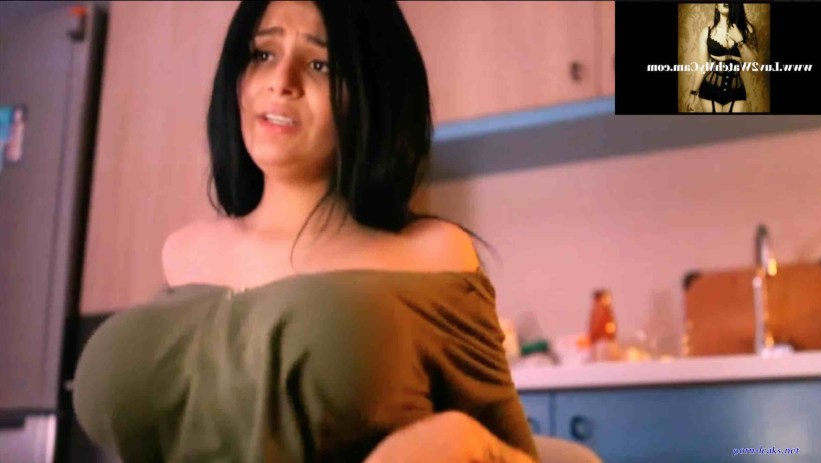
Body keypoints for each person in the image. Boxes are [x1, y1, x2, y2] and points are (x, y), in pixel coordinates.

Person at [72, 1, 539, 462]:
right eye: (262, 54)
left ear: (374, 93)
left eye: (320, 64)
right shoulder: (182, 252)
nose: (281, 81)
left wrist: (461, 442)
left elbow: (516, 456)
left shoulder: (432, 254)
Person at [685, 3, 759, 113]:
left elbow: (755, 67)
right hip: (709, 90)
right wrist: (693, 93)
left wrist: (740, 42)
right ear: (716, 5)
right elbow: (701, 67)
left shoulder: (747, 29)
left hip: (736, 92)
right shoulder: (707, 32)